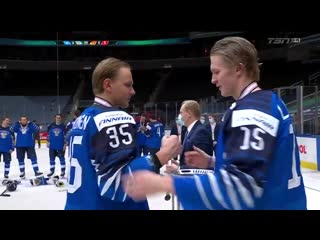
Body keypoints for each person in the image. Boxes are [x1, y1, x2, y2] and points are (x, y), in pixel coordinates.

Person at [122, 36, 307, 210]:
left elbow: (239, 188)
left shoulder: (252, 111)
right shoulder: (269, 101)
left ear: (238, 69)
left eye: (216, 72)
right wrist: (212, 162)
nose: (213, 80)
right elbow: (262, 165)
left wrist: (164, 183)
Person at [64, 57, 181, 210]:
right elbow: (119, 185)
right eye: (128, 85)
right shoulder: (113, 119)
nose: (133, 91)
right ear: (108, 85)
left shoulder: (83, 118)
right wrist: (163, 155)